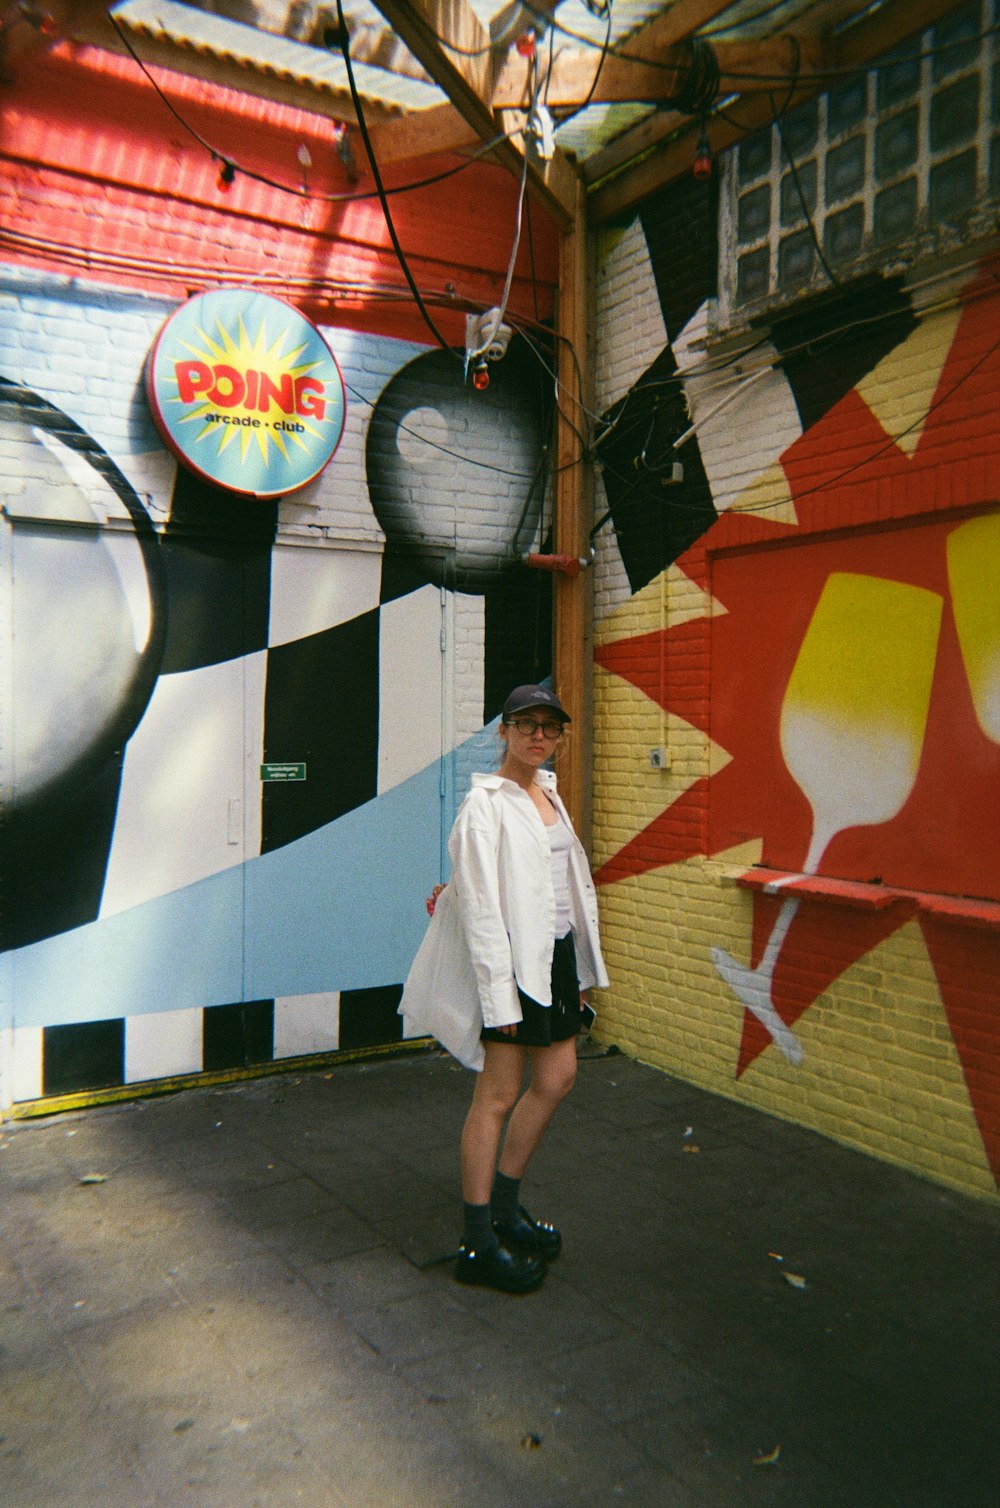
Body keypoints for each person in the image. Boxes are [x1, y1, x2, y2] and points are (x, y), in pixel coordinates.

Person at [399, 684, 608, 1294]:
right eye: (525, 725)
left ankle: (505, 1207)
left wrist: (584, 975)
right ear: (504, 733)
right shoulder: (484, 805)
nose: (538, 736)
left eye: (549, 726)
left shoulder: (548, 795)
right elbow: (486, 908)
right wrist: (499, 998)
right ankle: (476, 1241)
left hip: (557, 958)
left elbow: (561, 887)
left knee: (557, 1078)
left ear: (560, 738)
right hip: (513, 965)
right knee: (497, 1094)